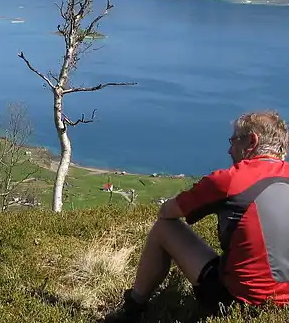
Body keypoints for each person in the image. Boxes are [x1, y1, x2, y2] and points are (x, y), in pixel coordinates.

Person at [105, 110, 289, 322]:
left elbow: (166, 212)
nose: (229, 150)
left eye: (234, 140)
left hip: (239, 303)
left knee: (164, 228)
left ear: (252, 141)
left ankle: (132, 309)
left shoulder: (231, 180)